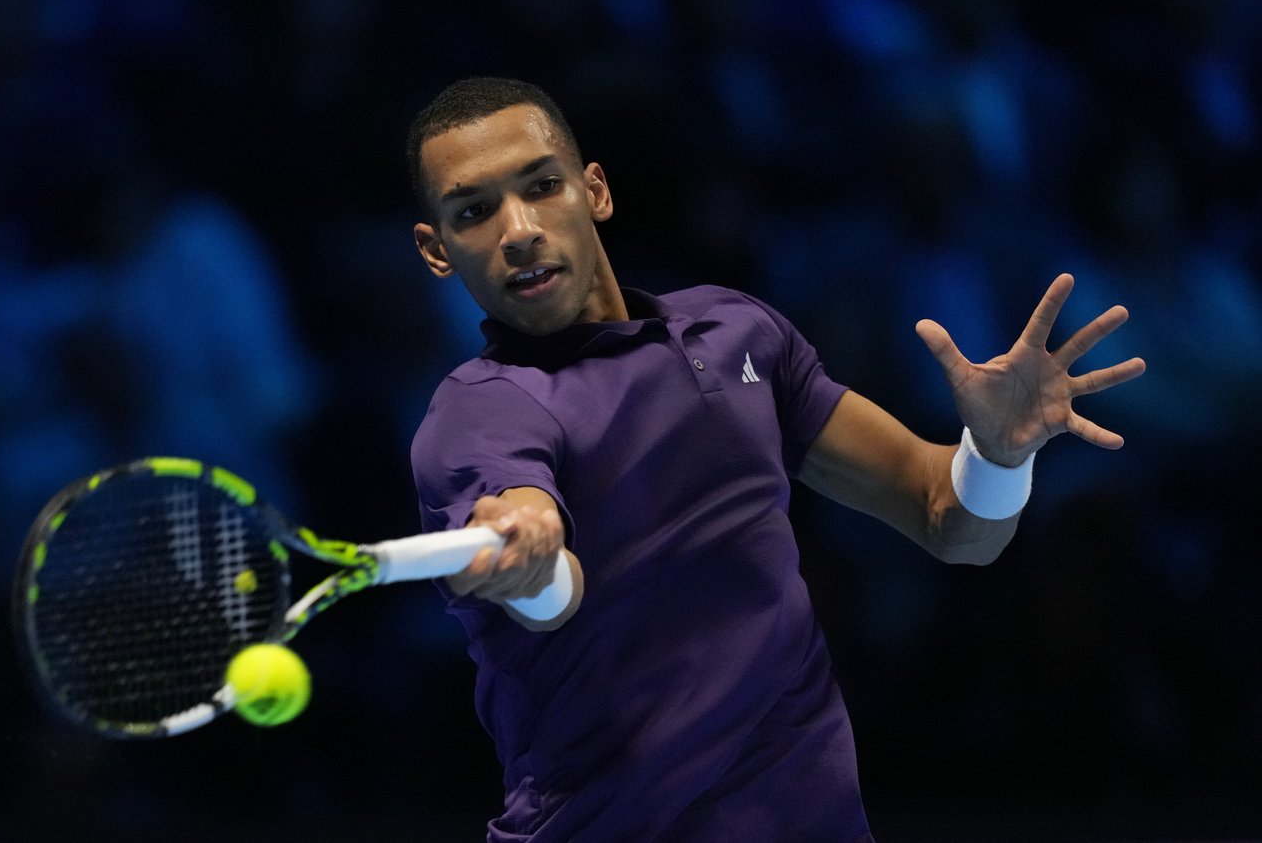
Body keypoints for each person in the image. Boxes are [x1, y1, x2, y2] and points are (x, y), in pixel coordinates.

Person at [405, 76, 1145, 842]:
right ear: (436, 249)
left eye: (541, 186)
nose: (518, 230)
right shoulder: (479, 413)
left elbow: (951, 522)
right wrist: (529, 552)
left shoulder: (737, 333)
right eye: (474, 211)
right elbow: (543, 567)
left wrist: (997, 454)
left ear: (595, 191)